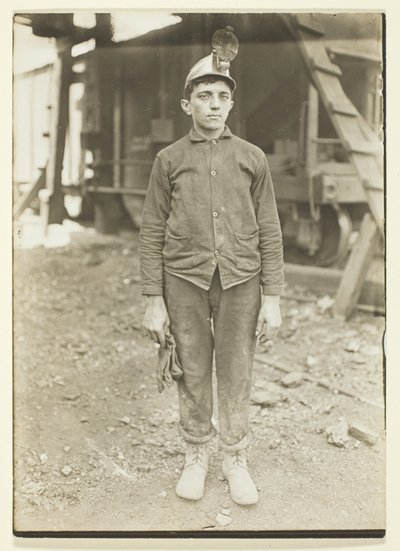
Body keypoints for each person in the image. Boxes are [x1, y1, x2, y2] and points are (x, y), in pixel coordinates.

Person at [139, 27, 284, 506]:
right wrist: (153, 300)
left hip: (242, 281)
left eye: (222, 96)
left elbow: (270, 229)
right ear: (187, 105)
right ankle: (196, 455)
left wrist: (273, 298)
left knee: (237, 369)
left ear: (231, 104)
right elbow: (152, 231)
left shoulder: (252, 158)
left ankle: (235, 459)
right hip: (184, 280)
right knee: (192, 368)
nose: (214, 104)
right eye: (204, 96)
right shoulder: (168, 160)